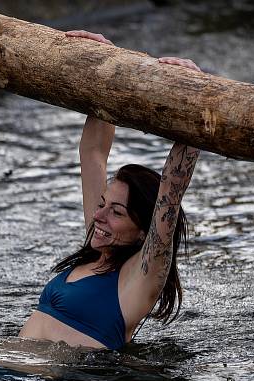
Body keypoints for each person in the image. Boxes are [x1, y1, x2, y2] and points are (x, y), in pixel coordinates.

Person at [18, 30, 201, 351]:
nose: (98, 216)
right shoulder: (98, 242)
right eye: (104, 204)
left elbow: (171, 189)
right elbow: (93, 153)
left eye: (116, 212)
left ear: (145, 232)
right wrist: (106, 66)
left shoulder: (140, 278)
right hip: (2, 375)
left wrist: (195, 94)